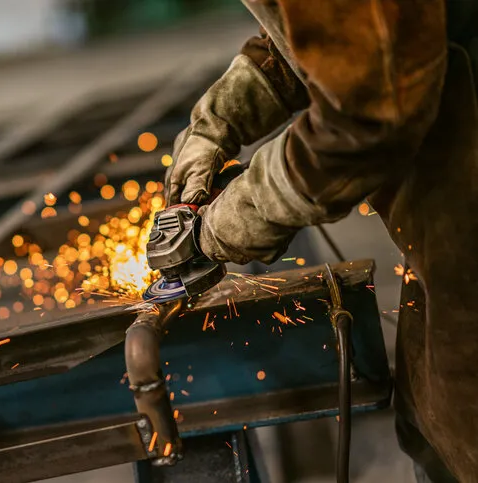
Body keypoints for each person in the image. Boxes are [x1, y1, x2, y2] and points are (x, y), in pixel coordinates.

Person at [165, 1, 478, 481]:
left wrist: (245, 210)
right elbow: (342, 30)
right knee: (429, 422)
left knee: (463, 430)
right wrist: (225, 114)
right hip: (448, 229)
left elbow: (366, 110)